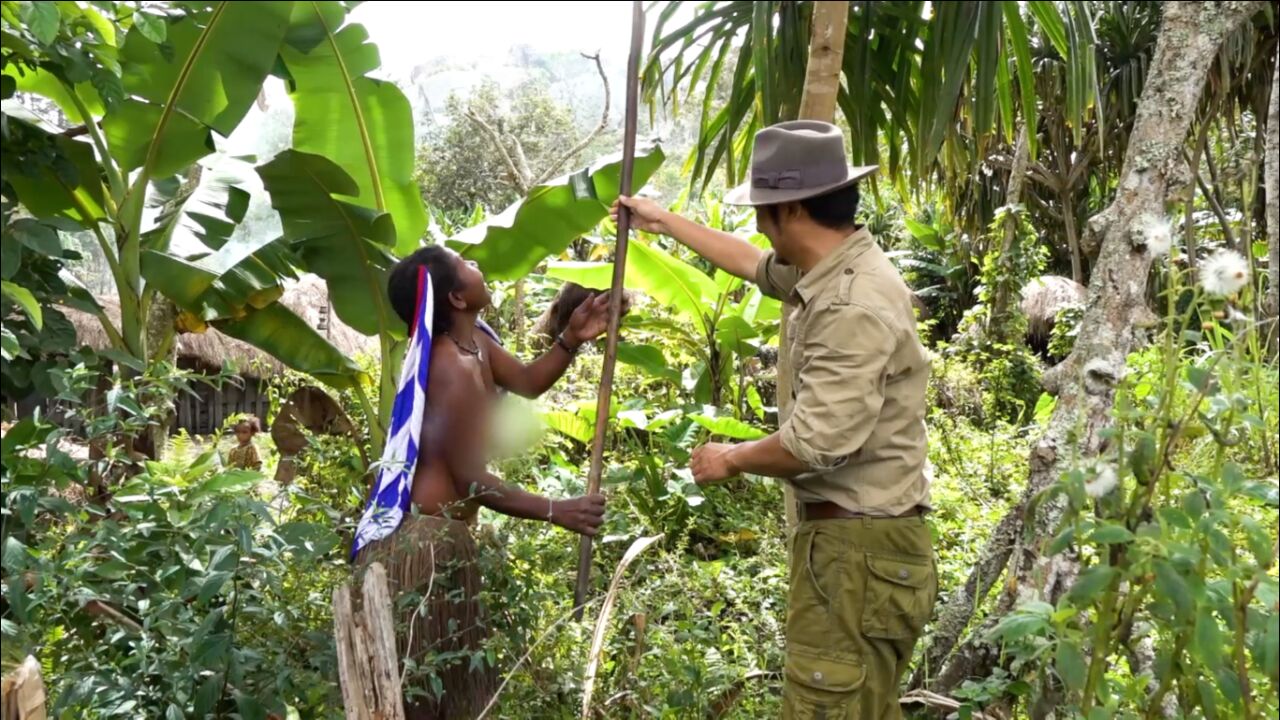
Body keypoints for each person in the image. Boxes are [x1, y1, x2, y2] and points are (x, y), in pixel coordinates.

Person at [613, 120, 935, 718]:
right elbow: (754, 265)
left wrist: (727, 459)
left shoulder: (849, 304)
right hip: (863, 551)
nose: (757, 221)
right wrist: (665, 223)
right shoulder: (835, 268)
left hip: (856, 554)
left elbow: (816, 443)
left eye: (762, 207)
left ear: (788, 208)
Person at [352, 245, 611, 719]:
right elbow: (470, 480)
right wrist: (557, 509)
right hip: (425, 543)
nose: (481, 267)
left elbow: (529, 382)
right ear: (455, 297)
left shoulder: (479, 345)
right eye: (469, 266)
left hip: (450, 539)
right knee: (427, 694)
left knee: (451, 690)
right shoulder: (449, 364)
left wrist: (572, 338)